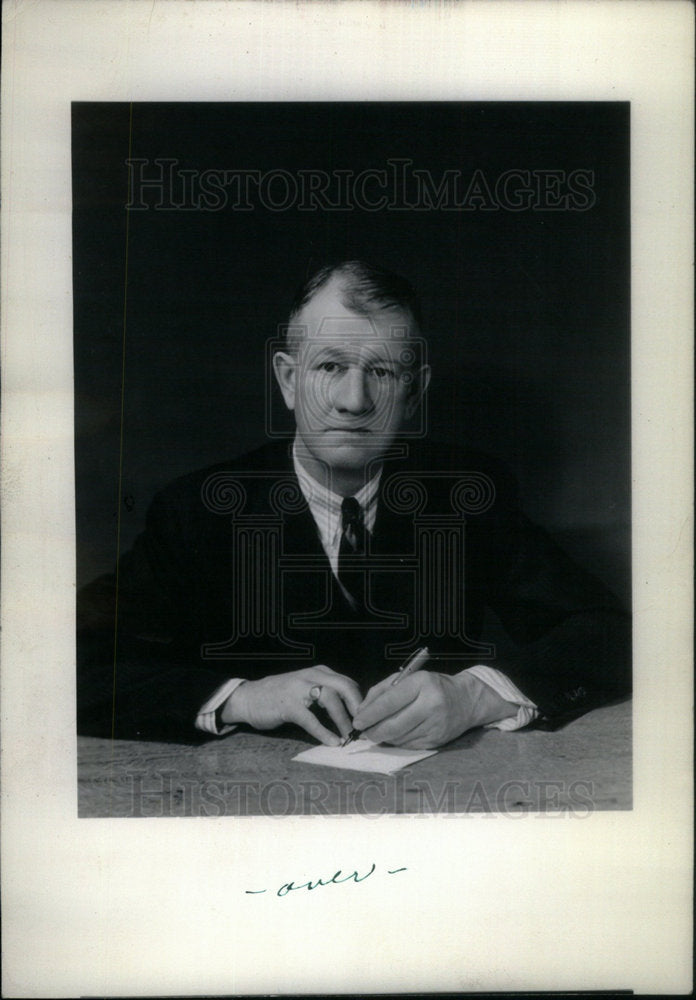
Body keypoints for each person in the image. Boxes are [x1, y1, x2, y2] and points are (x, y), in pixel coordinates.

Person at [77, 260, 631, 746]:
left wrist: (476, 695)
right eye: (330, 367)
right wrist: (241, 698)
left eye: (382, 372)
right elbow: (69, 666)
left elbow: (610, 634)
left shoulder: (468, 493)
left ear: (414, 393)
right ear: (289, 381)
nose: (353, 401)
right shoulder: (197, 511)